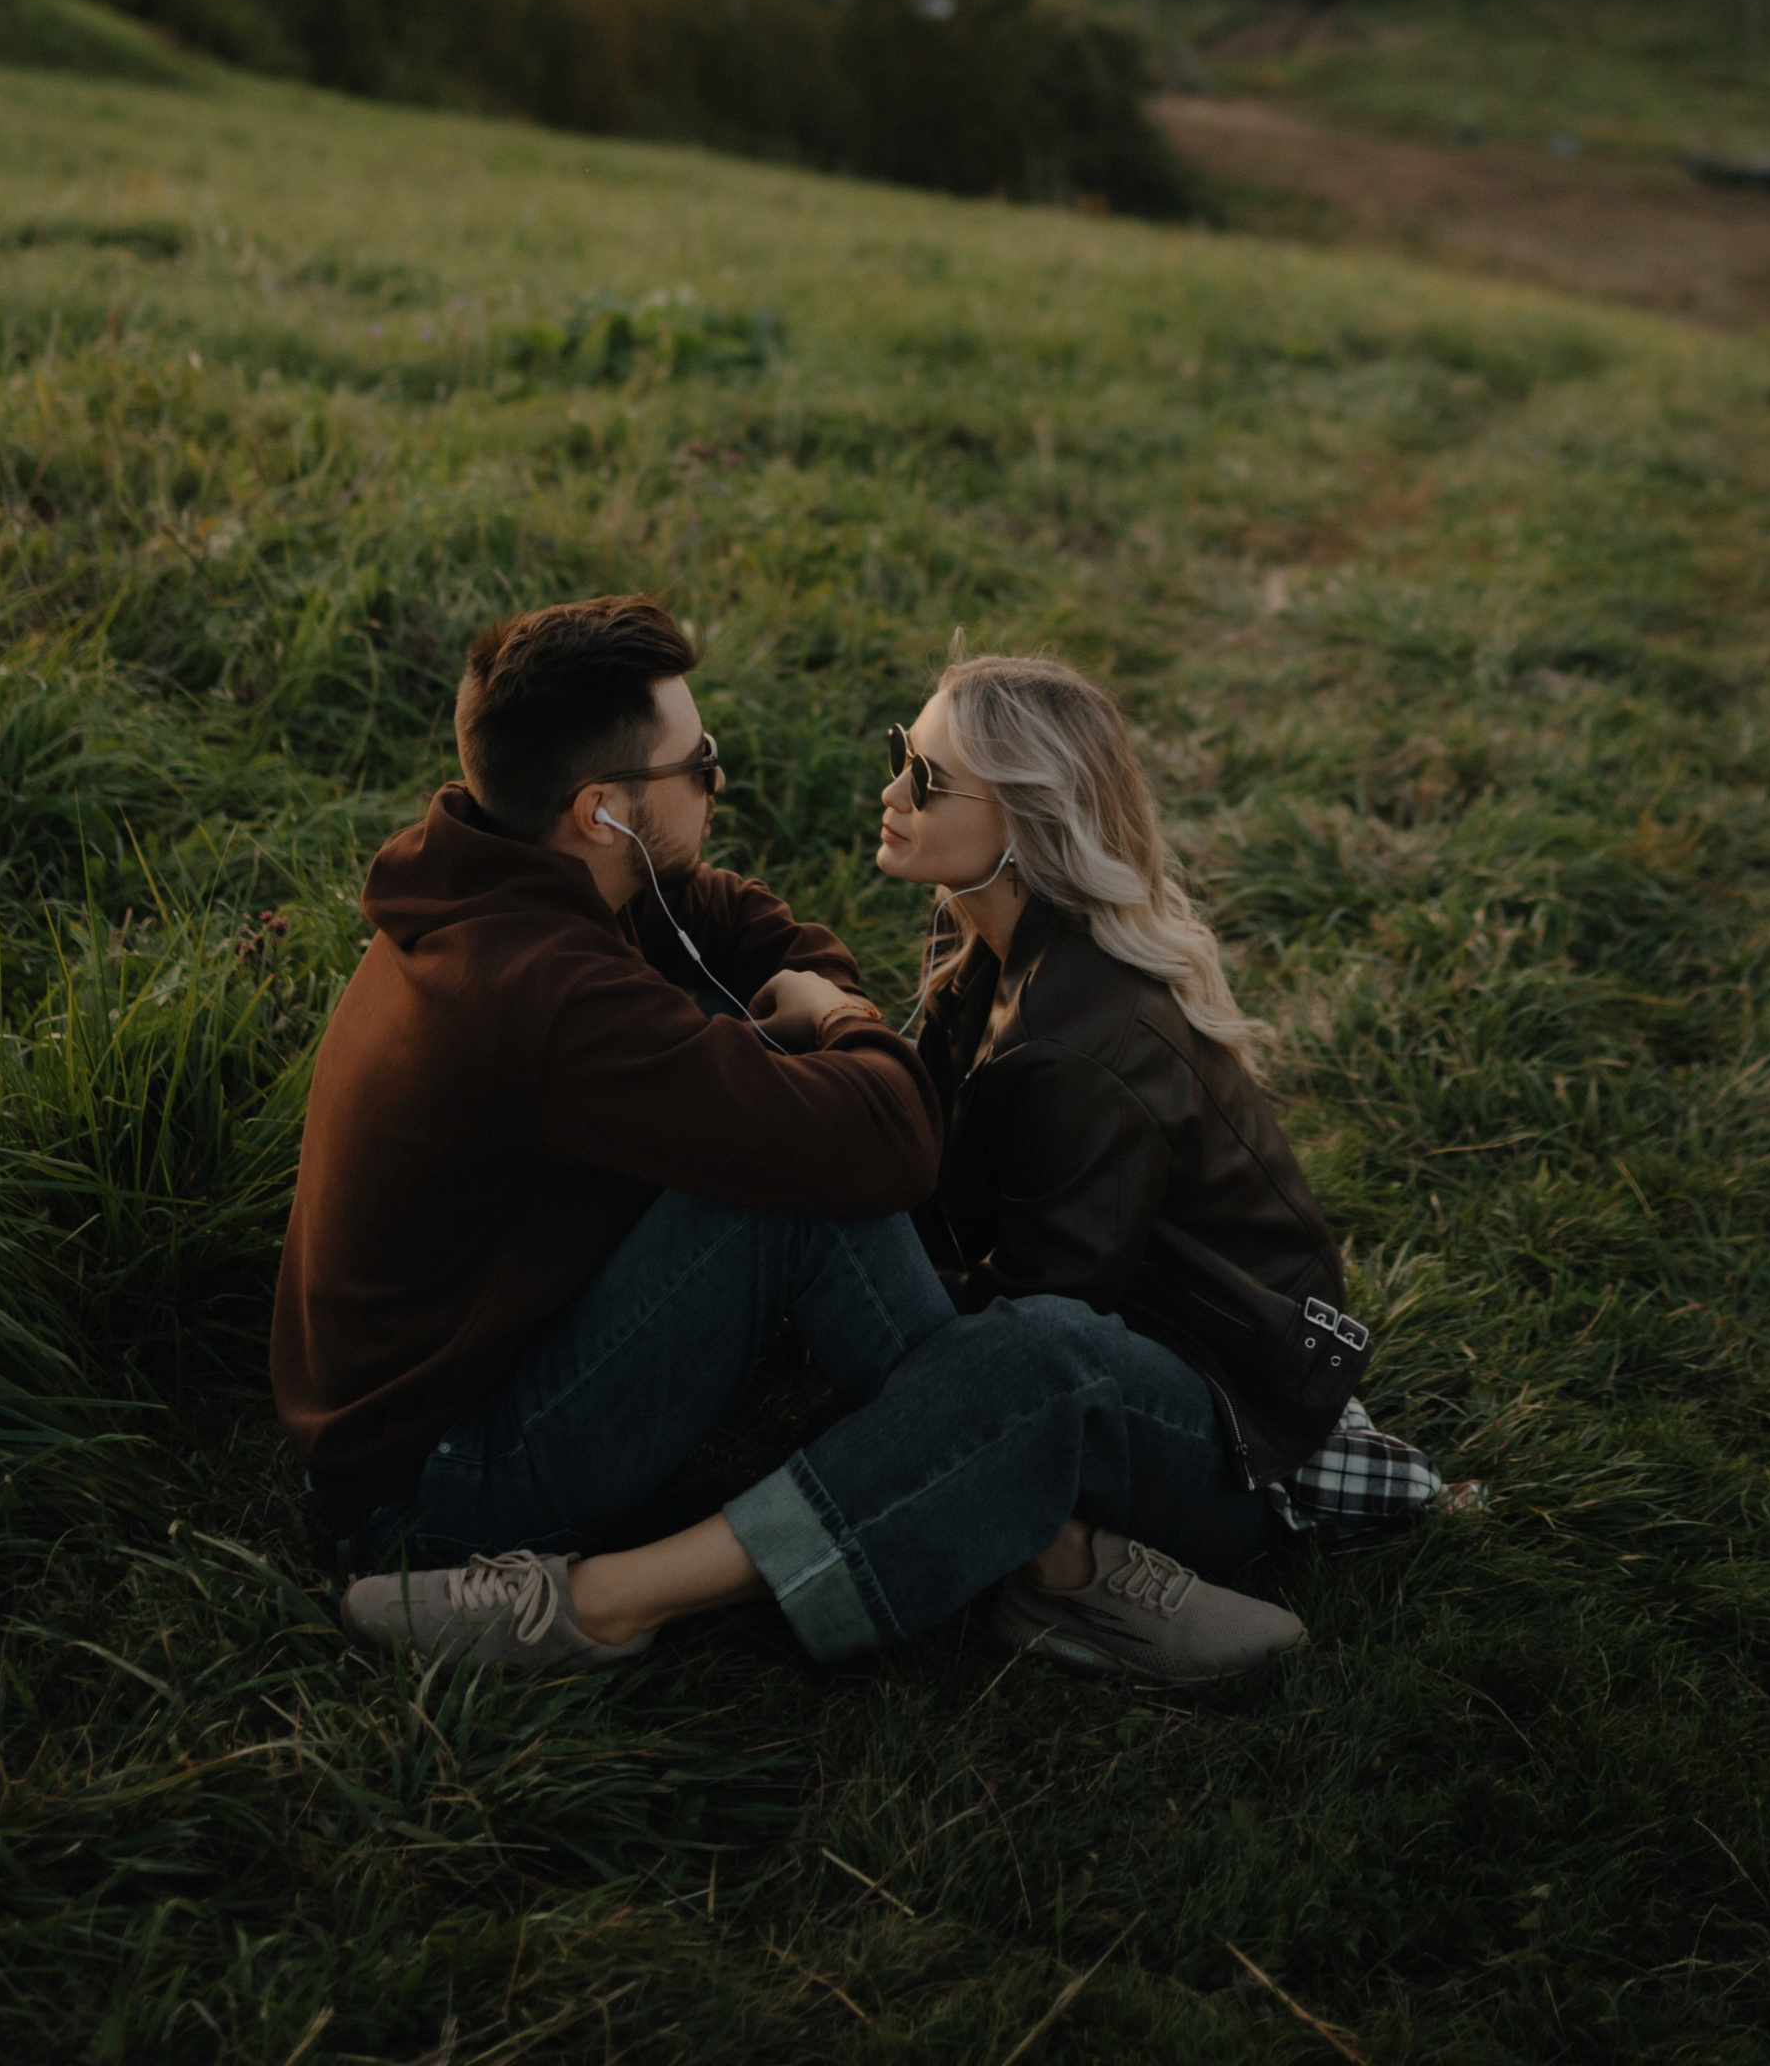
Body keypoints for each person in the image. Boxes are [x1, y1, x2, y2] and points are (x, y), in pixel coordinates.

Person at [283, 593, 1300, 1687]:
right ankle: (1043, 1539)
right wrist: (838, 1018)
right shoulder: (547, 996)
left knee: (800, 1147)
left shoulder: (509, 875)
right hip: (445, 1491)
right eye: (697, 763)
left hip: (416, 1410)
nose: (718, 779)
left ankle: (1012, 1507)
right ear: (601, 811)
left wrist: (808, 1010)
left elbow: (739, 916)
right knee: (809, 1190)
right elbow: (887, 1139)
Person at [878, 655, 1446, 1667]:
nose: (890, 792)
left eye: (924, 777)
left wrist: (861, 1291)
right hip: (1155, 1353)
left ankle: (1068, 1571)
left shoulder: (1076, 1042)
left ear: (1025, 821)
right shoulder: (987, 940)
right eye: (899, 754)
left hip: (1217, 1450)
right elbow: (926, 1169)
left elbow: (1031, 1334)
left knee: (877, 1288)